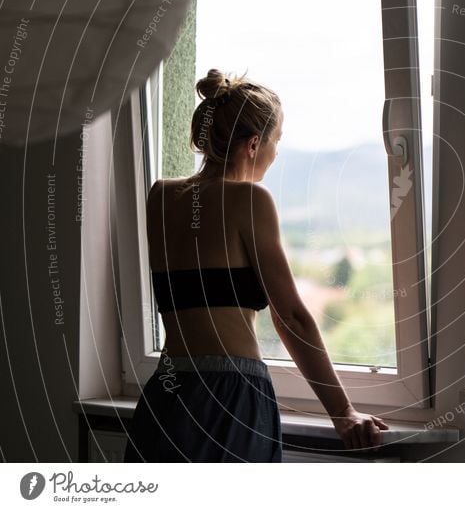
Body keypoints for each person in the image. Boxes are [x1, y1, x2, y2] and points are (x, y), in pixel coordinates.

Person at [123, 68, 389, 462]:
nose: (277, 152)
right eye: (276, 140)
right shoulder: (250, 200)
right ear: (252, 145)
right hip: (230, 395)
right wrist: (343, 411)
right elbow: (292, 317)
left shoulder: (161, 197)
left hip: (167, 391)